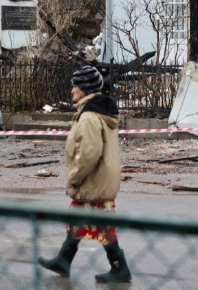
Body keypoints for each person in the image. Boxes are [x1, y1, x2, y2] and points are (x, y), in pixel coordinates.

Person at [38, 66, 131, 283]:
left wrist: (74, 178)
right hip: (99, 179)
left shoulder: (89, 116)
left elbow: (89, 153)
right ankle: (64, 260)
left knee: (102, 226)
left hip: (93, 180)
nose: (72, 90)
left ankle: (119, 267)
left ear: (85, 89)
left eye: (76, 86)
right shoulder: (98, 111)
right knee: (79, 220)